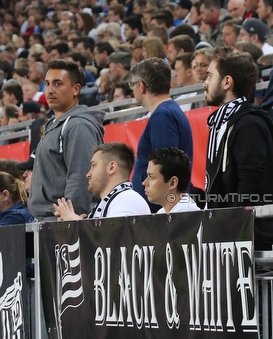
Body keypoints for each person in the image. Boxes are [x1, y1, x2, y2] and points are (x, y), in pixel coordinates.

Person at [203, 47, 273, 251]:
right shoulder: (220, 123)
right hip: (229, 239)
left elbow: (250, 187)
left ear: (227, 82)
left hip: (249, 242)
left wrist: (227, 229)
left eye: (210, 76)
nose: (205, 83)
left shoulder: (249, 124)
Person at [28, 59, 105, 219]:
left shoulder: (78, 126)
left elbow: (81, 177)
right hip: (49, 220)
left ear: (76, 89)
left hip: (62, 223)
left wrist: (70, 220)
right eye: (47, 84)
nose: (49, 90)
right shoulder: (55, 123)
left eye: (58, 84)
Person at [129, 58, 195, 207]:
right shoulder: (167, 112)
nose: (131, 89)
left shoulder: (163, 116)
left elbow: (165, 169)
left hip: (159, 212)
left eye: (132, 84)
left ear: (142, 86)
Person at [54, 143, 151, 220]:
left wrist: (76, 222)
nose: (88, 174)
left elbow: (111, 239)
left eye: (93, 166)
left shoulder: (127, 200)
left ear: (111, 167)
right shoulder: (115, 200)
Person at [143, 148, 201, 214]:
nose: (144, 183)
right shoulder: (162, 212)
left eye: (151, 177)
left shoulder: (187, 215)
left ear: (172, 183)